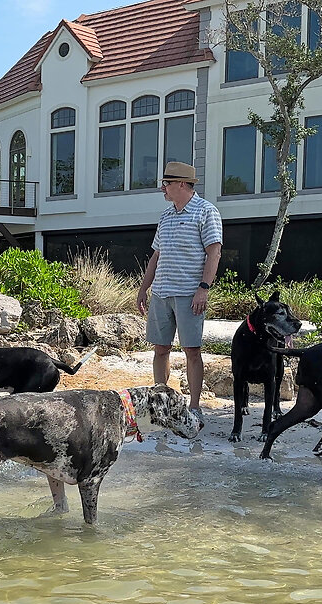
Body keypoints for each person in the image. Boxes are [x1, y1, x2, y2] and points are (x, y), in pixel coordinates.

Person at [137, 161, 223, 429]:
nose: (163, 188)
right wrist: (143, 288)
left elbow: (214, 253)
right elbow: (156, 256)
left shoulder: (206, 212)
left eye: (167, 183)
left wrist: (203, 289)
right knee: (160, 349)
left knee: (191, 350)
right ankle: (161, 402)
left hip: (189, 294)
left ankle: (195, 407)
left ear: (182, 184)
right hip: (161, 292)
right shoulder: (165, 215)